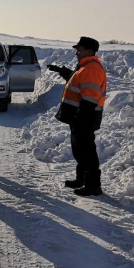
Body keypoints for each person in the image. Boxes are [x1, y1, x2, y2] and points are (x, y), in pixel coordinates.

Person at [48, 36, 108, 196]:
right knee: (80, 149)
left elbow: (89, 98)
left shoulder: (92, 68)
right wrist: (63, 72)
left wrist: (81, 118)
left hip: (85, 118)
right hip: (80, 117)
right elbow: (78, 82)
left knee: (87, 150)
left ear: (89, 51)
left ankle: (93, 185)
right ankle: (81, 179)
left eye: (79, 50)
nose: (77, 53)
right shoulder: (85, 67)